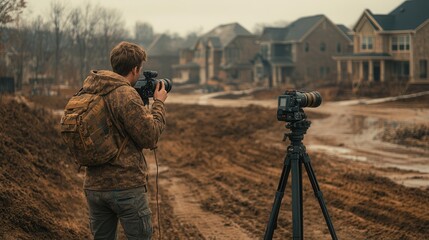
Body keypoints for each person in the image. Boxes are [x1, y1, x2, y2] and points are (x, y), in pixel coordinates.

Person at [82, 41, 167, 239]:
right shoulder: (125, 94)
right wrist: (159, 104)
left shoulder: (91, 88)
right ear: (136, 69)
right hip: (125, 186)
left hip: (94, 186)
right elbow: (150, 136)